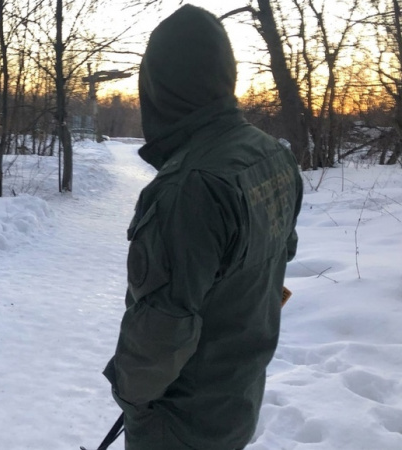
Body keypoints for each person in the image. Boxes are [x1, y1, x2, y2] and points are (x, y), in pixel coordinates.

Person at [102, 5, 303, 449]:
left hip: (182, 422)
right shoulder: (272, 154)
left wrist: (130, 397)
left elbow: (161, 330)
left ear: (160, 89)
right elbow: (278, 258)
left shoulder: (188, 188)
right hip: (236, 400)